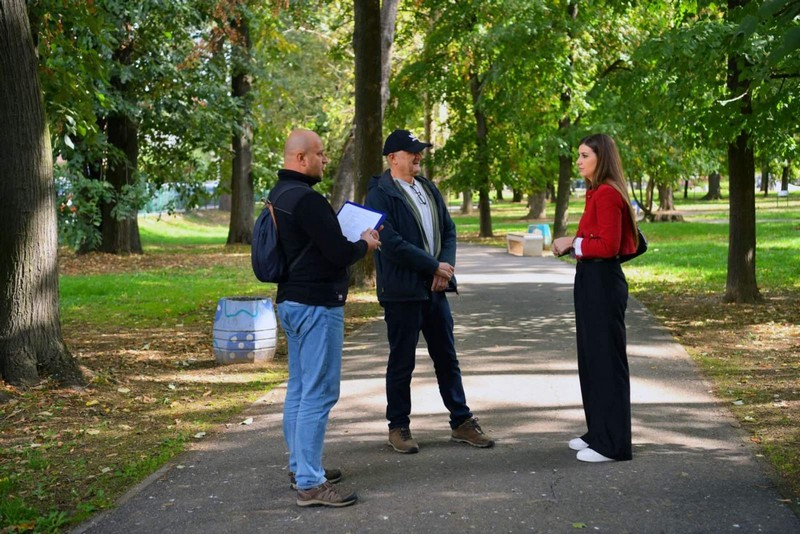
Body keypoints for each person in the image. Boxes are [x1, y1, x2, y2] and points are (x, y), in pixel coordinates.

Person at [365, 129, 494, 454]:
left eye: (419, 151)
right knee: (401, 362)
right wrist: (432, 267)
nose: (418, 156)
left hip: (435, 289)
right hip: (402, 292)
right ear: (393, 158)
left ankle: (461, 422)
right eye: (412, 152)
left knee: (447, 358)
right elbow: (391, 244)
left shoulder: (427, 187)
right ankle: (398, 427)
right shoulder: (380, 194)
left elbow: (448, 230)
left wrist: (444, 268)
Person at [272, 129, 381, 506]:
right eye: (319, 154)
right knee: (319, 393)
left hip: (291, 302)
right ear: (300, 158)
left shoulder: (279, 196)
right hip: (317, 305)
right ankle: (309, 483)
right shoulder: (307, 200)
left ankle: (300, 466)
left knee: (300, 388)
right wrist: (364, 244)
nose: (325, 160)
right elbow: (337, 253)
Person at [551, 133, 639, 463]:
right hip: (590, 279)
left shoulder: (607, 195)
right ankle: (598, 432)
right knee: (591, 360)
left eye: (584, 155)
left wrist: (573, 244)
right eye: (578, 154)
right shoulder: (594, 193)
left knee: (606, 362)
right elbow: (592, 238)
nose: (578, 160)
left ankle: (614, 445)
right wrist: (571, 242)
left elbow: (609, 246)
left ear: (601, 158)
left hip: (603, 281)